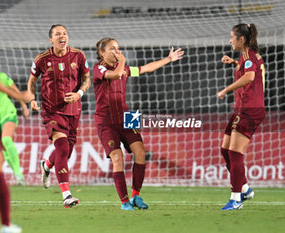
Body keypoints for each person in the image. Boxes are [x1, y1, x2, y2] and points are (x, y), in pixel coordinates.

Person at [93, 38, 184, 210]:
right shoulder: (99, 69)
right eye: (112, 48)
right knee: (117, 158)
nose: (116, 51)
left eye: (118, 48)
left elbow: (146, 68)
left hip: (127, 116)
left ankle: (136, 196)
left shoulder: (126, 69)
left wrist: (168, 59)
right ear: (102, 53)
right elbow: (115, 75)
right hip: (105, 120)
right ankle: (124, 202)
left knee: (140, 152)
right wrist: (123, 62)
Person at [27, 24, 90, 208]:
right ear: (51, 39)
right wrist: (32, 98)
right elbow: (32, 80)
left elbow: (86, 79)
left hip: (73, 110)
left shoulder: (78, 56)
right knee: (62, 147)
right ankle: (66, 195)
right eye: (57, 34)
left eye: (64, 33)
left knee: (67, 151)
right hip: (51, 110)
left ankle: (46, 165)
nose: (62, 36)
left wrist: (79, 93)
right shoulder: (42, 59)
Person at [0, 1, 30, 232]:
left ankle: (18, 175)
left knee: (3, 149)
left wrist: (21, 101)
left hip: (3, 114)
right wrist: (19, 94)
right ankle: (6, 225)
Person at [217, 23, 266, 210]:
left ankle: (236, 199)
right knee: (225, 150)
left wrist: (226, 90)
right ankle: (244, 187)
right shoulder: (246, 58)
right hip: (241, 109)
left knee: (235, 153)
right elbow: (247, 70)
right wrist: (233, 63)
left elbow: (250, 77)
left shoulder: (248, 56)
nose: (230, 40)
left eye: (232, 37)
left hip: (249, 110)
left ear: (241, 39)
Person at [0, 66, 30, 185]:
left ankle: (19, 175)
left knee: (6, 139)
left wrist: (24, 106)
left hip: (8, 113)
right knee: (3, 148)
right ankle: (17, 176)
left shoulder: (0, 77)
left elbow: (15, 92)